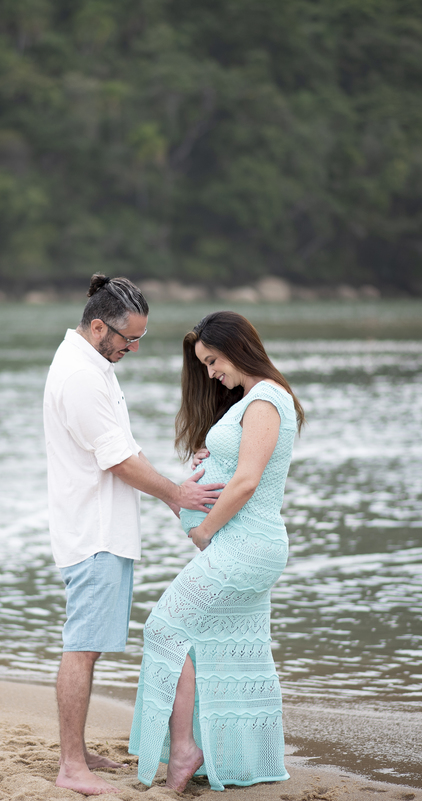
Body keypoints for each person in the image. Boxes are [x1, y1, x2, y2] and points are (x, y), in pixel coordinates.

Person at [44, 274, 225, 796]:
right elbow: (118, 461)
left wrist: (173, 494)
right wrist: (176, 494)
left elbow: (125, 446)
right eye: (129, 338)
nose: (135, 348)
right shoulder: (80, 376)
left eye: (140, 338)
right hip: (94, 533)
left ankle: (77, 754)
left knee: (90, 647)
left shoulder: (93, 366)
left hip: (100, 529)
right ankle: (70, 766)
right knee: (83, 648)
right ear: (99, 327)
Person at [128, 310, 305, 792]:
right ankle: (225, 756)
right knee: (211, 642)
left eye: (212, 361)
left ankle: (186, 749)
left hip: (247, 544)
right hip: (241, 543)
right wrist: (214, 456)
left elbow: (247, 482)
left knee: (165, 628)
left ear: (236, 347)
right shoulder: (252, 400)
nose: (209, 373)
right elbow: (241, 464)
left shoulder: (266, 399)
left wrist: (204, 530)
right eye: (204, 364)